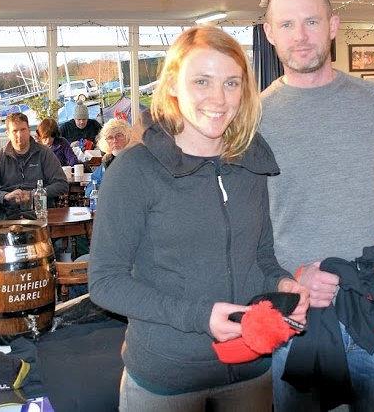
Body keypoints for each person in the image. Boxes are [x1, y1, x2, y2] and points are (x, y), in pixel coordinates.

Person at [89, 26, 308, 411]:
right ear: (173, 84)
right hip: (166, 378)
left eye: (231, 83)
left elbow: (262, 257)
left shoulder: (252, 161)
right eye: (202, 81)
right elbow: (106, 283)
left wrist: (283, 285)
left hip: (250, 368)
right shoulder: (135, 170)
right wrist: (198, 316)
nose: (219, 99)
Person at [260, 0, 374, 411]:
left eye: (312, 21)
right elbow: (245, 228)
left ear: (333, 24)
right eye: (288, 23)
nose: (301, 36)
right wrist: (289, 276)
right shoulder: (252, 119)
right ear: (269, 32)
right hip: (295, 313)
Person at [0, 112, 68, 220]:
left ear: (29, 130)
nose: (19, 135)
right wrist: (5, 196)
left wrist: (33, 194)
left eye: (23, 130)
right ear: (7, 133)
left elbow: (62, 184)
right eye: (15, 131)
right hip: (6, 212)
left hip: (39, 211)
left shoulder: (44, 153)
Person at [85, 118, 131, 196]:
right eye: (110, 137)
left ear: (128, 137)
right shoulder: (108, 160)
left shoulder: (135, 158)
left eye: (119, 135)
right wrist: (99, 191)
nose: (114, 140)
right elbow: (91, 186)